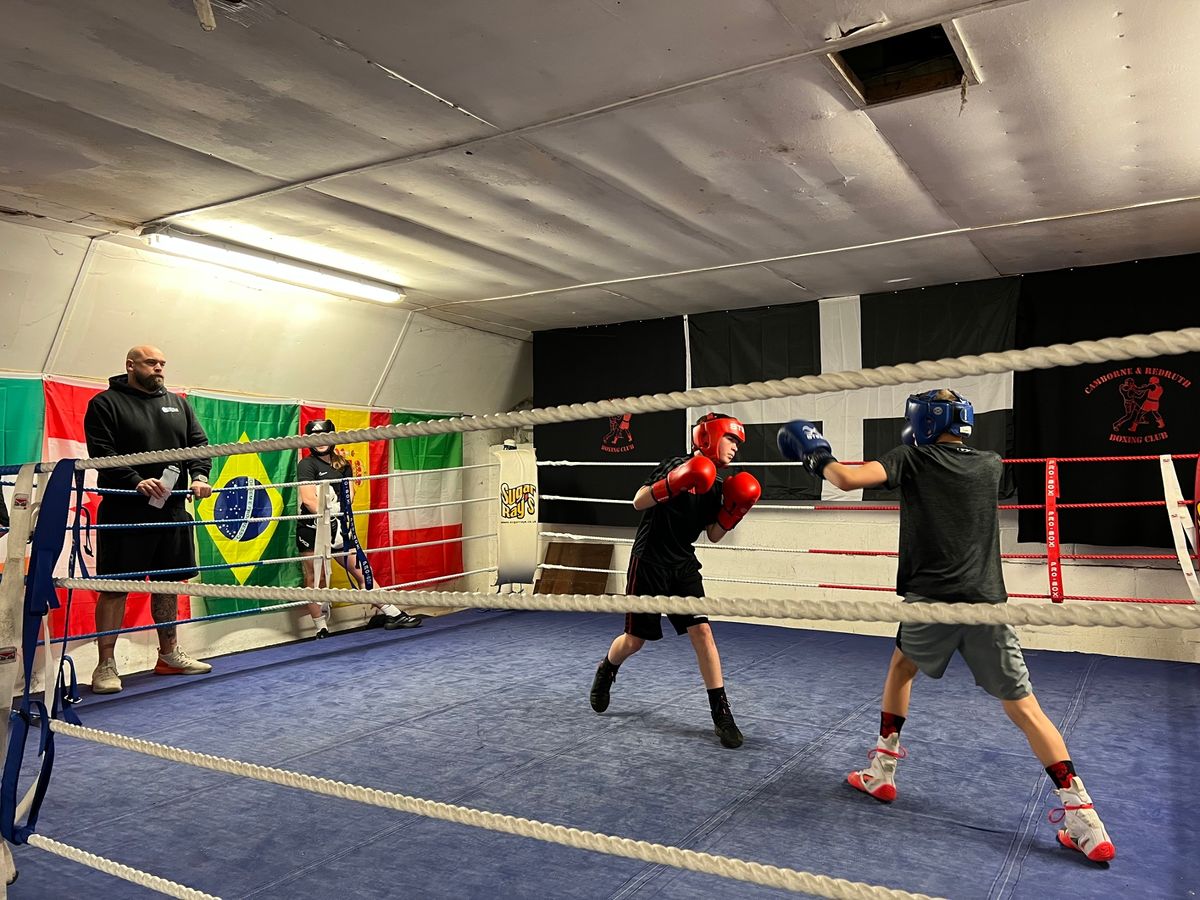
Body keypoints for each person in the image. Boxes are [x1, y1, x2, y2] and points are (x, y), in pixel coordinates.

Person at [777, 389, 1116, 863]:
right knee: (1026, 710)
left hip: (930, 605)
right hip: (986, 607)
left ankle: (882, 771)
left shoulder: (912, 459)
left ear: (924, 422)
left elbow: (847, 478)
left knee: (901, 671)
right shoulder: (991, 465)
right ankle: (1085, 819)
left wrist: (813, 451)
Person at [589, 413, 762, 749]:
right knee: (634, 640)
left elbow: (713, 535)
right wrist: (675, 482)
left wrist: (734, 511)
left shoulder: (721, 488)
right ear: (709, 437)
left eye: (738, 443)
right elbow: (638, 501)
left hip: (682, 565)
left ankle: (721, 713)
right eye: (731, 440)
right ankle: (607, 668)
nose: (735, 449)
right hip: (649, 561)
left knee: (703, 632)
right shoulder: (676, 464)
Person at [83, 345, 215, 694]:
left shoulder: (177, 402)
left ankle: (168, 654)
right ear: (130, 365)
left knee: (168, 583)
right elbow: (101, 453)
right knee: (115, 588)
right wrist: (134, 481)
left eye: (162, 363)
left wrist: (199, 476)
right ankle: (105, 665)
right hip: (124, 510)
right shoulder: (105, 404)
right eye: (151, 363)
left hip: (171, 510)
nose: (159, 368)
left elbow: (199, 445)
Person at [296, 418, 420, 636]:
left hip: (340, 528)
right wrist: (328, 514)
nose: (321, 442)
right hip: (313, 528)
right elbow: (308, 499)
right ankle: (321, 628)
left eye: (325, 436)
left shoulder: (343, 464)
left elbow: (350, 495)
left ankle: (393, 613)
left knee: (361, 570)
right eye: (315, 438)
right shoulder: (307, 464)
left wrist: (337, 514)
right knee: (315, 577)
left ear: (333, 436)